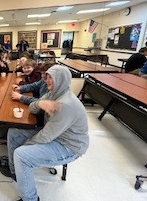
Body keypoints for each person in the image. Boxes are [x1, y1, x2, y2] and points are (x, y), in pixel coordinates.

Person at [7, 65, 89, 201]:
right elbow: (33, 109)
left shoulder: (66, 104)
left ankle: (30, 198)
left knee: (21, 155)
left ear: (61, 80)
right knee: (13, 133)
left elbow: (46, 136)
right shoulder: (53, 94)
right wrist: (40, 104)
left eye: (52, 78)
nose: (47, 80)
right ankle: (16, 172)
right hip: (55, 135)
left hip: (68, 146)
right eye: (47, 77)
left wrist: (27, 145)